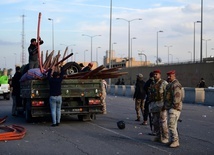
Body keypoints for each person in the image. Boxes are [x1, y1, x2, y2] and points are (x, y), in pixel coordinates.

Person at [163, 70, 183, 148]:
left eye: (170, 76)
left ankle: (175, 141)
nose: (168, 77)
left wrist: (174, 106)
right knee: (172, 125)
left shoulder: (176, 85)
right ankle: (172, 140)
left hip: (174, 108)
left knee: (171, 125)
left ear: (174, 75)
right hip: (170, 107)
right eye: (168, 75)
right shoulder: (170, 85)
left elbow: (177, 97)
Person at [149, 70, 168, 143]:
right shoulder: (153, 83)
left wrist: (165, 105)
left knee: (163, 122)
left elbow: (167, 95)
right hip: (154, 106)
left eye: (156, 74)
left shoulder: (164, 83)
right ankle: (158, 136)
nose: (155, 75)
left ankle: (165, 137)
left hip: (161, 105)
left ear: (160, 75)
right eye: (154, 74)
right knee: (155, 122)